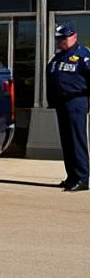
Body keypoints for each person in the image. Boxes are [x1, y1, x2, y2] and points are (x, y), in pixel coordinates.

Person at [46, 21, 90, 192]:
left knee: (77, 141)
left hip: (76, 101)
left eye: (63, 38)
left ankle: (82, 178)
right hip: (61, 103)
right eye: (58, 39)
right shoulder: (58, 57)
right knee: (67, 141)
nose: (60, 42)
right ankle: (71, 177)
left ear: (74, 36)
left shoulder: (83, 56)